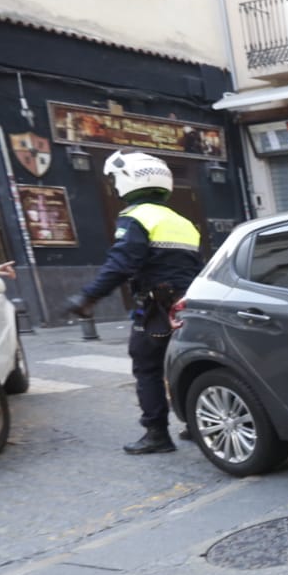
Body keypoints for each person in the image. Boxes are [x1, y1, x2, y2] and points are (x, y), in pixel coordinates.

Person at [64, 151, 202, 455]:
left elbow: (120, 264)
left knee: (148, 369)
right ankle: (196, 426)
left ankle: (156, 435)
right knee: (185, 365)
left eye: (115, 180)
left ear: (128, 181)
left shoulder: (135, 217)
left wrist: (88, 297)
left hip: (155, 309)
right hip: (188, 307)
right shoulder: (182, 221)